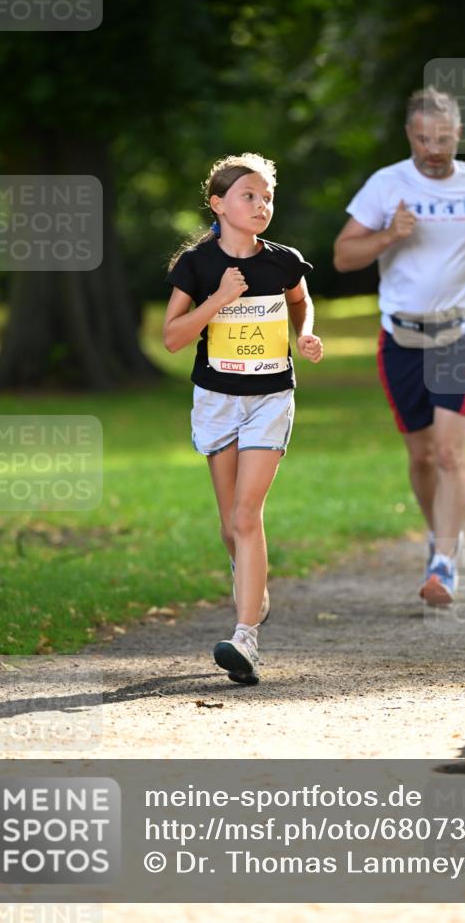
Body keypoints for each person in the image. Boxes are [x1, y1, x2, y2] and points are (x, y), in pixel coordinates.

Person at [334, 87, 465, 606]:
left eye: (442, 139)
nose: (433, 150)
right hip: (402, 335)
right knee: (420, 455)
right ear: (409, 136)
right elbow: (343, 256)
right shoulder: (386, 184)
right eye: (422, 139)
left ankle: (445, 562)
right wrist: (389, 235)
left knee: (447, 451)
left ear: (458, 134)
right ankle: (439, 535)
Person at [163, 153, 323, 685]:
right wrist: (219, 299)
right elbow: (172, 338)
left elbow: (301, 301)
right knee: (230, 523)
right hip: (217, 399)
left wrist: (305, 333)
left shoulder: (283, 261)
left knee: (247, 515)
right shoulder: (198, 265)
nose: (261, 205)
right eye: (248, 196)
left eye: (267, 197)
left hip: (270, 398)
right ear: (218, 204)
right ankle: (250, 582)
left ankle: (245, 639)